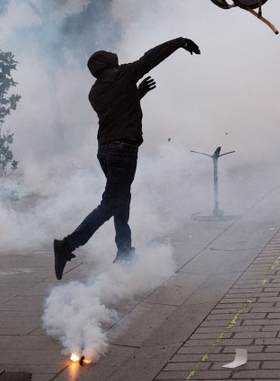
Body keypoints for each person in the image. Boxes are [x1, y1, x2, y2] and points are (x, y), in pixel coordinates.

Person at [53, 37, 201, 280]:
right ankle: (68, 244)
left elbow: (116, 111)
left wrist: (137, 94)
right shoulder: (123, 74)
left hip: (106, 151)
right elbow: (151, 57)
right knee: (111, 203)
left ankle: (125, 252)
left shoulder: (95, 92)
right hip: (123, 150)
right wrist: (179, 42)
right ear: (109, 63)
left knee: (122, 199)